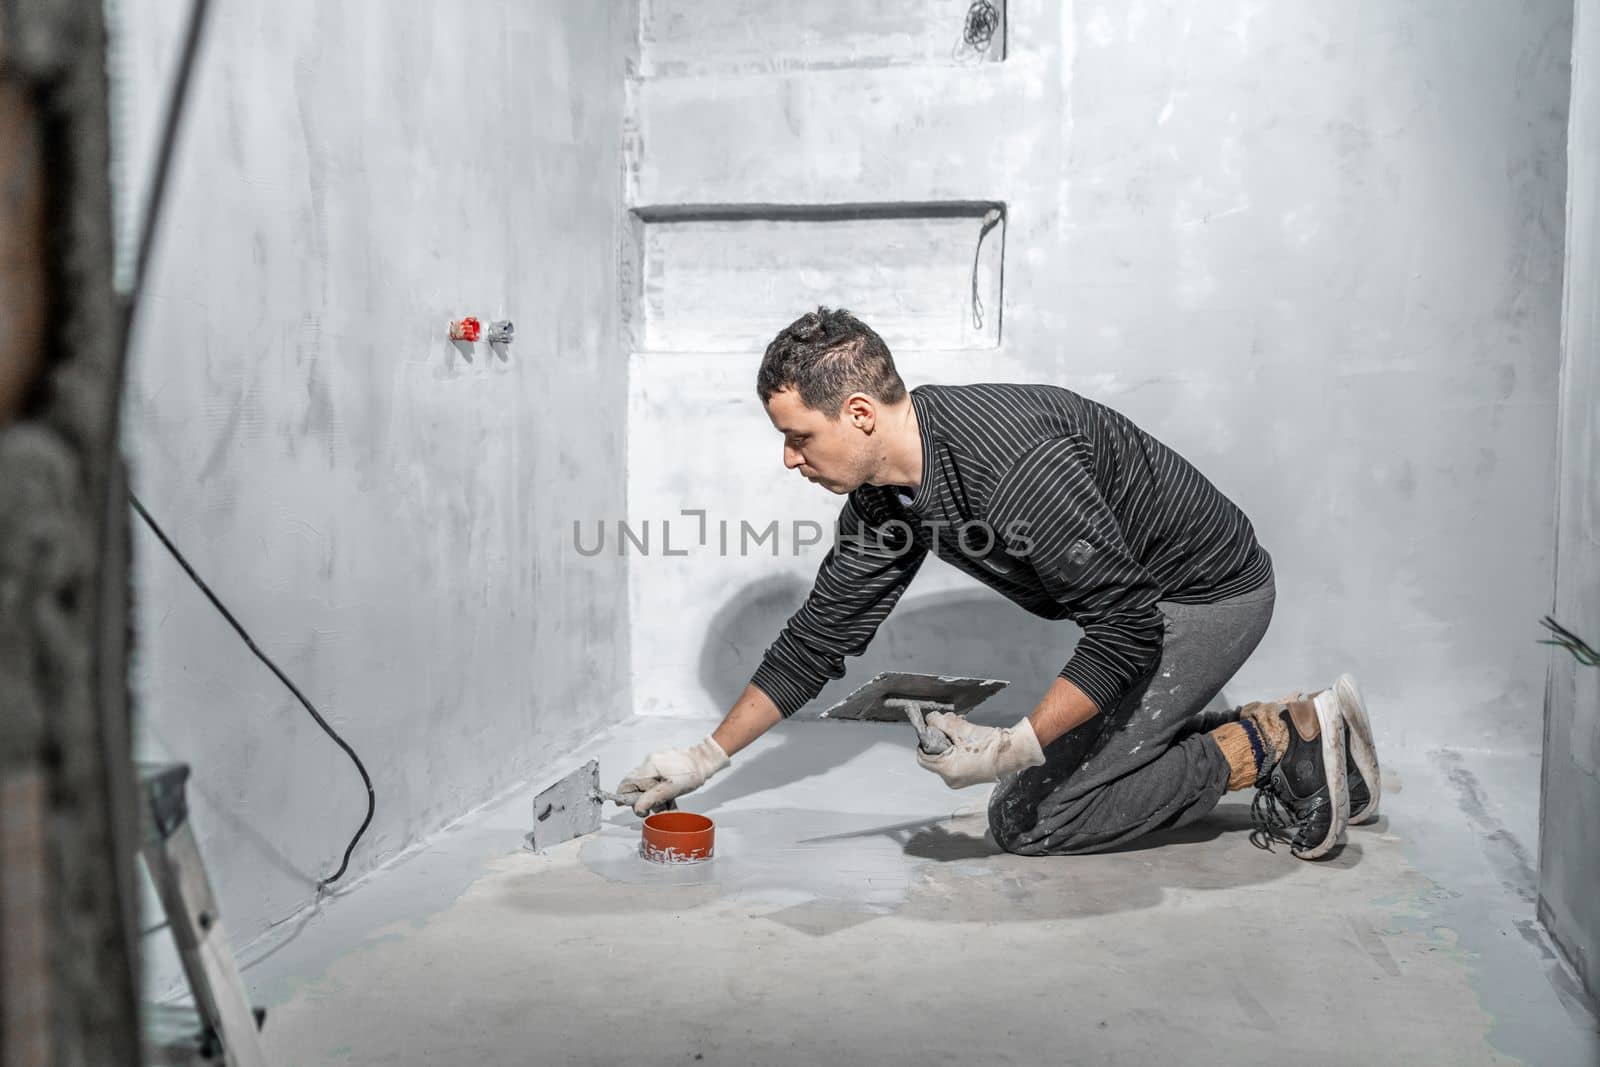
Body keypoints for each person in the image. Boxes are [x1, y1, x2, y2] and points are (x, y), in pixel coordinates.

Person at [615, 307, 1381, 860]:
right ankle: (1230, 722)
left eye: (798, 437)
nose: (790, 458)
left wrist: (1015, 742)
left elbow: (1128, 629)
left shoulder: (1011, 468)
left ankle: (1276, 741)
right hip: (1144, 607)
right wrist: (704, 756)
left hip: (1204, 599)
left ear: (857, 413)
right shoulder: (888, 492)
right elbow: (821, 635)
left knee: (1036, 819)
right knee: (1033, 790)